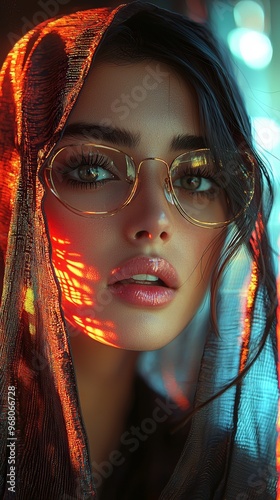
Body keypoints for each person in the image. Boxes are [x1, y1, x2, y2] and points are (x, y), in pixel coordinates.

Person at [0, 2, 278, 498]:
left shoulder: (233, 476)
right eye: (92, 170)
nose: (154, 220)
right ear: (15, 188)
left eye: (197, 176)